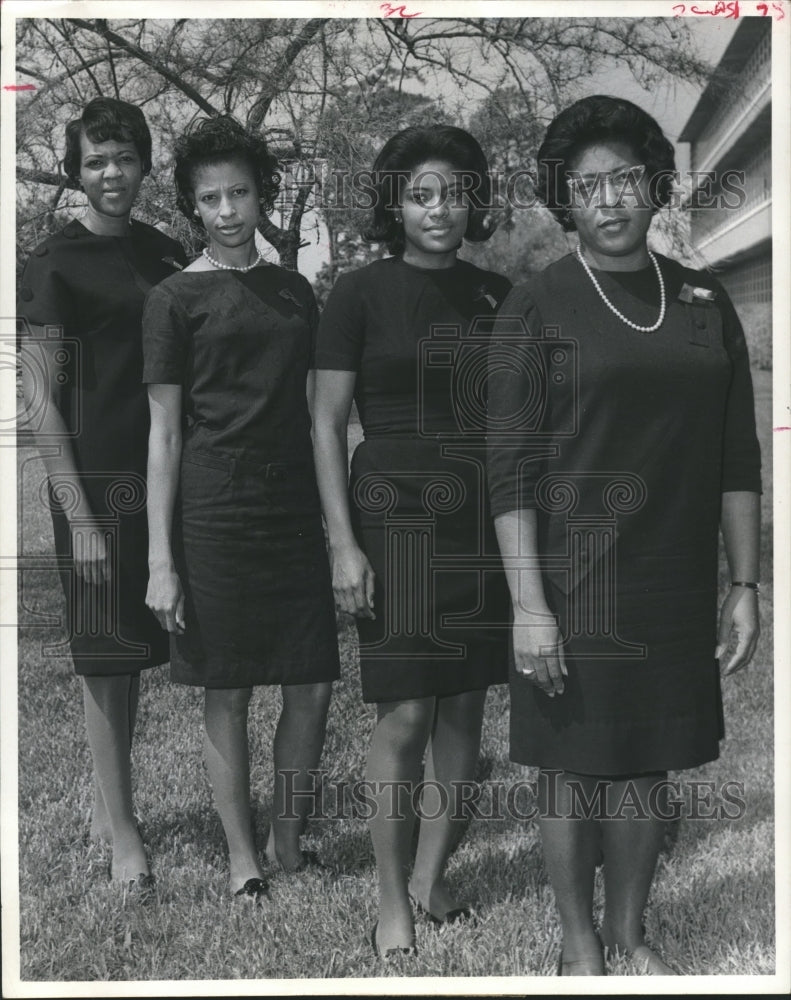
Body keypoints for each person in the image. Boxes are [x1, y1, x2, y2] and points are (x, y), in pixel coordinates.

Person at [486, 94, 762, 975]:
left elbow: (735, 455)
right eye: (586, 185)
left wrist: (744, 583)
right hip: (569, 581)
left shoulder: (702, 298)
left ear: (655, 188)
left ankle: (631, 932)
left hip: (670, 579)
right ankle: (578, 946)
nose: (608, 201)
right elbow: (509, 471)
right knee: (570, 767)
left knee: (647, 765)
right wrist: (529, 606)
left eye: (625, 181)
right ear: (563, 200)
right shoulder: (535, 305)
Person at [313, 125, 512, 956]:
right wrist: (341, 545)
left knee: (464, 706)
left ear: (474, 202)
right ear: (394, 202)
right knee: (406, 710)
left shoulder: (499, 295)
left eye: (454, 192)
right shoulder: (356, 292)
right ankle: (390, 901)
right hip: (391, 513)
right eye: (421, 193)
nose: (439, 209)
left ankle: (432, 885)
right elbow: (324, 424)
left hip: (482, 516)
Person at [143, 116, 339, 901]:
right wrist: (161, 560)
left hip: (291, 512)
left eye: (239, 193)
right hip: (214, 513)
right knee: (227, 689)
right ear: (194, 207)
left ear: (263, 196)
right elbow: (163, 435)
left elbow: (317, 413)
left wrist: (336, 530)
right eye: (210, 198)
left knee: (312, 684)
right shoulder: (172, 298)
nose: (227, 210)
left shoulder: (294, 291)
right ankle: (240, 857)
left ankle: (286, 840)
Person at [18, 97, 187, 889]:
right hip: (89, 480)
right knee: (102, 658)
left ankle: (107, 801)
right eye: (94, 161)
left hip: (162, 477)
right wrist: (77, 513)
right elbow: (41, 399)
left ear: (145, 162)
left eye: (122, 157)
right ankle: (124, 832)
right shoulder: (51, 262)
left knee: (137, 653)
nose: (110, 173)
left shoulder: (167, 255)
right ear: (76, 171)